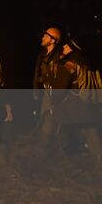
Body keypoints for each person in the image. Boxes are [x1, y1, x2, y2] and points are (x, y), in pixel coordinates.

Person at [54, 37, 102, 176]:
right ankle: (99, 163)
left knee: (63, 128)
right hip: (91, 102)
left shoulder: (69, 63)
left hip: (76, 104)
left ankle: (68, 161)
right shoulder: (88, 62)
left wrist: (54, 99)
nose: (63, 49)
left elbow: (62, 86)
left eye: (65, 46)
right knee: (92, 132)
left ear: (72, 47)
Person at [32, 25, 63, 156]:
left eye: (46, 35)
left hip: (56, 93)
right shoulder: (43, 55)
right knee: (45, 116)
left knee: (52, 118)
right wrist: (36, 89)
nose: (43, 37)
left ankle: (46, 149)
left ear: (54, 40)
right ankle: (49, 146)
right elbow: (37, 73)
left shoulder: (60, 55)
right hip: (45, 92)